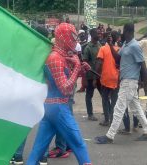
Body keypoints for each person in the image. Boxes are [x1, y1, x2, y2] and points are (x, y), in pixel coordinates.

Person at [27, 23, 92, 165]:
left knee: (37, 150)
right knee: (79, 144)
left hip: (51, 108)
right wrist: (76, 67)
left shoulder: (59, 56)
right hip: (59, 107)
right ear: (64, 37)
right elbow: (65, 88)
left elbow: (66, 81)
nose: (75, 41)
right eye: (72, 37)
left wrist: (80, 69)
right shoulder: (55, 58)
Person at [95, 23, 147, 144]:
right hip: (126, 81)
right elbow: (117, 58)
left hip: (130, 81)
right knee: (136, 108)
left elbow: (142, 65)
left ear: (127, 31)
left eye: (123, 31)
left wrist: (146, 84)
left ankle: (110, 136)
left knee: (119, 108)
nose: (122, 33)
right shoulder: (126, 45)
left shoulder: (135, 46)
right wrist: (110, 45)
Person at [96, 31, 120, 126]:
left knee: (105, 99)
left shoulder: (102, 49)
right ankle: (113, 120)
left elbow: (99, 63)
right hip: (116, 78)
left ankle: (107, 120)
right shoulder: (119, 49)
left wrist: (96, 76)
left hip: (105, 78)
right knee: (114, 100)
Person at [82, 28, 102, 121]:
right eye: (98, 33)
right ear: (93, 35)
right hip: (90, 76)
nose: (100, 34)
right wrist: (85, 79)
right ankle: (90, 114)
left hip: (99, 75)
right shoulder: (88, 48)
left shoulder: (100, 45)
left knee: (104, 95)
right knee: (89, 95)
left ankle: (107, 111)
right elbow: (84, 63)